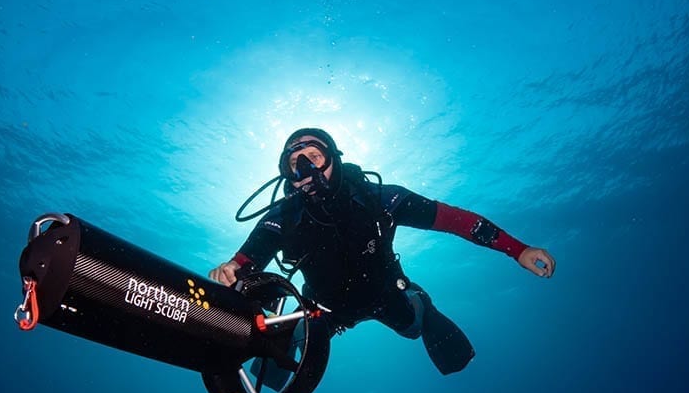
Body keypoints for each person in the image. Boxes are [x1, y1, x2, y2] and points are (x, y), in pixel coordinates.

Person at [209, 127, 555, 374]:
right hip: (324, 308)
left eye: (314, 156)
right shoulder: (283, 216)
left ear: (335, 160)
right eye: (295, 163)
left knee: (413, 328)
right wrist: (231, 270)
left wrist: (518, 250)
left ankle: (422, 304)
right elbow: (245, 261)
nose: (305, 169)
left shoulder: (378, 199)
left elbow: (453, 220)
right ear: (288, 175)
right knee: (277, 346)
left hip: (387, 293)